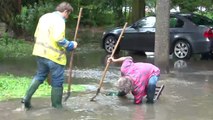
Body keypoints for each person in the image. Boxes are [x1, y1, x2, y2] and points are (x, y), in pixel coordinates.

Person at [21, 2, 77, 109]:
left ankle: (26, 98)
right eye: (68, 14)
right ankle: (57, 107)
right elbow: (59, 39)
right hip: (55, 57)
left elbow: (36, 35)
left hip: (40, 53)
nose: (67, 17)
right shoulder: (59, 20)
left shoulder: (44, 17)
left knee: (40, 76)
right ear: (65, 11)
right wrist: (71, 45)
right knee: (57, 81)